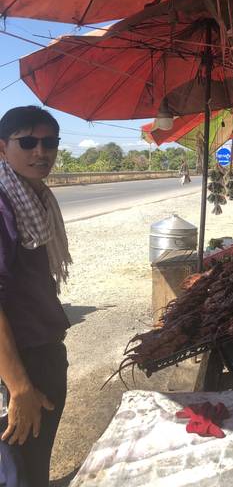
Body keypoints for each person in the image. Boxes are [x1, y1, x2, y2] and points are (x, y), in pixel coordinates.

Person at [0, 106, 71, 487]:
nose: (40, 152)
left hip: (42, 352)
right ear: (2, 148)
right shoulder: (4, 206)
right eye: (27, 142)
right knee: (20, 474)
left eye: (49, 142)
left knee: (33, 467)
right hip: (17, 364)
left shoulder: (37, 200)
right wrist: (19, 387)